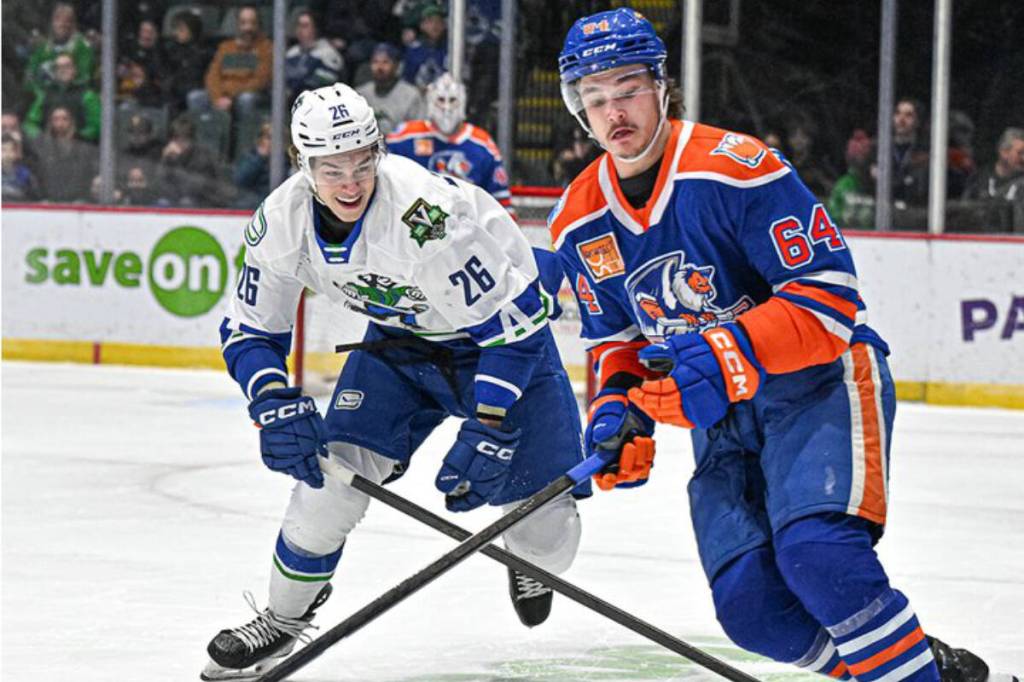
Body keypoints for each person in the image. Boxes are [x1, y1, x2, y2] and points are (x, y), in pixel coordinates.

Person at [551, 9, 1006, 682]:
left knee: (820, 558)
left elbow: (830, 301)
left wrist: (719, 355)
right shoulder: (579, 219)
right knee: (752, 608)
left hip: (816, 383)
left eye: (626, 89)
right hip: (725, 419)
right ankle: (916, 670)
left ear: (661, 86)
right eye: (595, 99)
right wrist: (618, 410)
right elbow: (618, 341)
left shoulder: (736, 169)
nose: (613, 112)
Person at [201, 84, 589, 680]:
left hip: (506, 342)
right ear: (301, 163)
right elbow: (250, 330)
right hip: (399, 347)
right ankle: (281, 622)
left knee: (544, 532)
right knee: (327, 483)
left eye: (362, 163)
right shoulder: (280, 221)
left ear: (378, 150)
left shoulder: (423, 218)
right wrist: (271, 399)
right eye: (331, 170)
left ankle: (529, 553)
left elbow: (511, 331)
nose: (351, 184)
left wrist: (489, 423)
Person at [387, 73, 513, 212]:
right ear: (430, 101)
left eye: (452, 100)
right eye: (441, 99)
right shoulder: (403, 138)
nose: (447, 107)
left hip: (469, 225)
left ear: (463, 102)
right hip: (415, 223)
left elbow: (501, 201)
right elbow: (386, 187)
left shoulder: (483, 144)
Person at [197, 6, 272, 120]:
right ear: (237, 25)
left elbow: (260, 80)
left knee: (246, 99)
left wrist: (230, 95)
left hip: (249, 94)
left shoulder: (266, 47)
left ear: (258, 25)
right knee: (196, 97)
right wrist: (218, 97)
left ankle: (246, 135)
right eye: (243, 23)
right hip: (223, 95)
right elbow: (212, 76)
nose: (248, 27)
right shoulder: (226, 47)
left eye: (252, 23)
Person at [23, 53, 101, 142]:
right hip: (48, 148)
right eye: (58, 67)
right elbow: (29, 123)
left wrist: (77, 136)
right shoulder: (44, 95)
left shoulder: (88, 95)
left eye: (67, 66)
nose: (63, 70)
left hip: (80, 148)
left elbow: (97, 125)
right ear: (54, 72)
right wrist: (40, 136)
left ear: (74, 69)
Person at [356, 42, 425, 136]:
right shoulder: (360, 95)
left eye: (385, 62)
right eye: (375, 62)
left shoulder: (411, 94)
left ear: (396, 66)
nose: (379, 67)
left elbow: (418, 132)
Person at [284, 10, 344, 103]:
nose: (300, 30)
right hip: (289, 104)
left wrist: (295, 89)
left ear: (315, 29)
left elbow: (324, 83)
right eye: (298, 25)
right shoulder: (291, 53)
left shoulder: (328, 53)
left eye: (305, 26)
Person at [963, 127, 1024, 202]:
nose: (1023, 158)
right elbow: (966, 208)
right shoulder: (979, 179)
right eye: (1020, 153)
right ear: (1004, 152)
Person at [402, 1, 448, 89]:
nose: (435, 25)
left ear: (444, 25)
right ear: (422, 25)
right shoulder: (413, 51)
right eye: (430, 21)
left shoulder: (451, 49)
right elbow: (406, 83)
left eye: (438, 21)